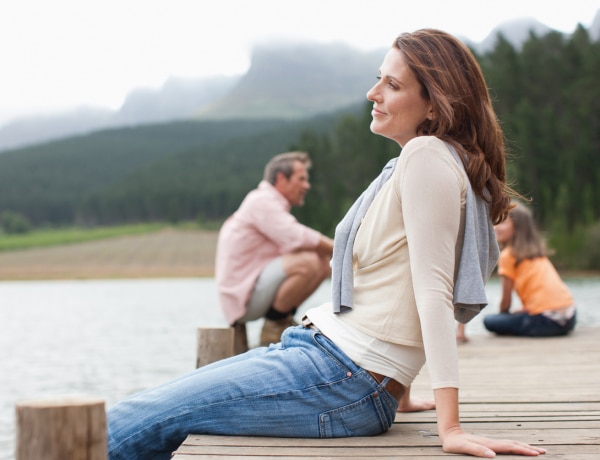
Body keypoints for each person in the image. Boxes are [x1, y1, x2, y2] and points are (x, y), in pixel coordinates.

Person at [107, 29, 547, 459]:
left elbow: (432, 291)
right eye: (379, 77)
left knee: (137, 419)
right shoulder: (430, 160)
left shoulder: (427, 155)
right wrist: (401, 387)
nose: (373, 93)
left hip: (341, 375)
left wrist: (449, 428)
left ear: (434, 105)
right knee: (157, 412)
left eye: (392, 85)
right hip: (331, 363)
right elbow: (401, 280)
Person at [215, 151, 334, 347]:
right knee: (310, 261)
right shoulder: (261, 201)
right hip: (242, 297)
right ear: (281, 179)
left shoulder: (267, 203)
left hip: (251, 291)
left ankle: (281, 320)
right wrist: (342, 248)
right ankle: (274, 326)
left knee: (321, 263)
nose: (307, 185)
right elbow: (298, 236)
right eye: (301, 179)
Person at [483, 203, 576, 337]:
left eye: (502, 222)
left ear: (518, 228)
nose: (496, 227)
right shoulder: (538, 254)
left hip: (546, 320)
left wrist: (503, 316)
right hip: (569, 317)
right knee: (514, 317)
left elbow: (506, 302)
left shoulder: (508, 255)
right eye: (496, 221)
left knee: (490, 321)